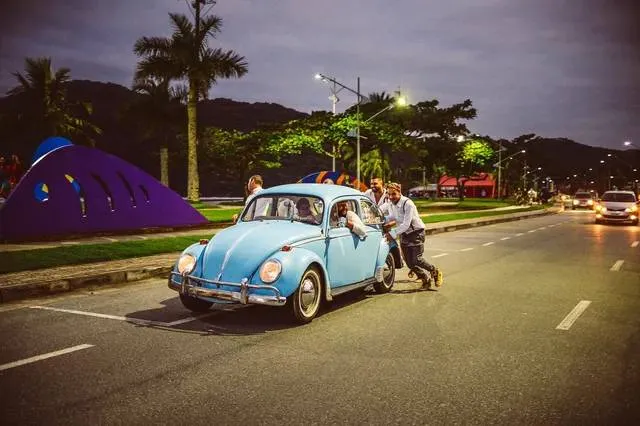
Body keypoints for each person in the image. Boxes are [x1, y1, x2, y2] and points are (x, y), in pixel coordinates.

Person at [381, 182, 443, 289]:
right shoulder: (391, 204)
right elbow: (392, 216)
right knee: (409, 263)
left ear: (399, 192)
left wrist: (392, 233)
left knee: (416, 259)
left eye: (393, 194)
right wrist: (380, 219)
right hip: (404, 234)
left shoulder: (408, 203)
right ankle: (424, 278)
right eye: (389, 194)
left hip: (416, 233)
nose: (391, 197)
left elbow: (406, 224)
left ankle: (435, 271)